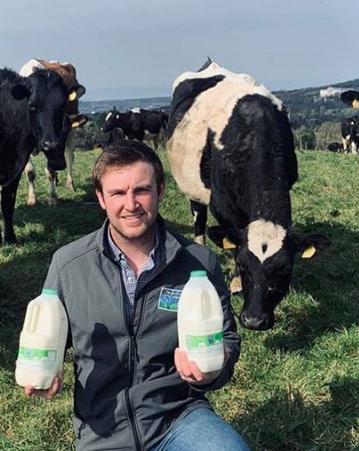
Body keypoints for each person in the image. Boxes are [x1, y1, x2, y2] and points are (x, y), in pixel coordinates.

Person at [23, 139, 250, 450]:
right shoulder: (68, 265)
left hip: (178, 416)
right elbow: (47, 337)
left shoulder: (199, 262)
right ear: (101, 198)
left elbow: (227, 338)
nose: (130, 205)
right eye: (117, 193)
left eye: (141, 190)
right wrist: (43, 371)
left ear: (160, 190)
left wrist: (215, 367)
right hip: (102, 428)